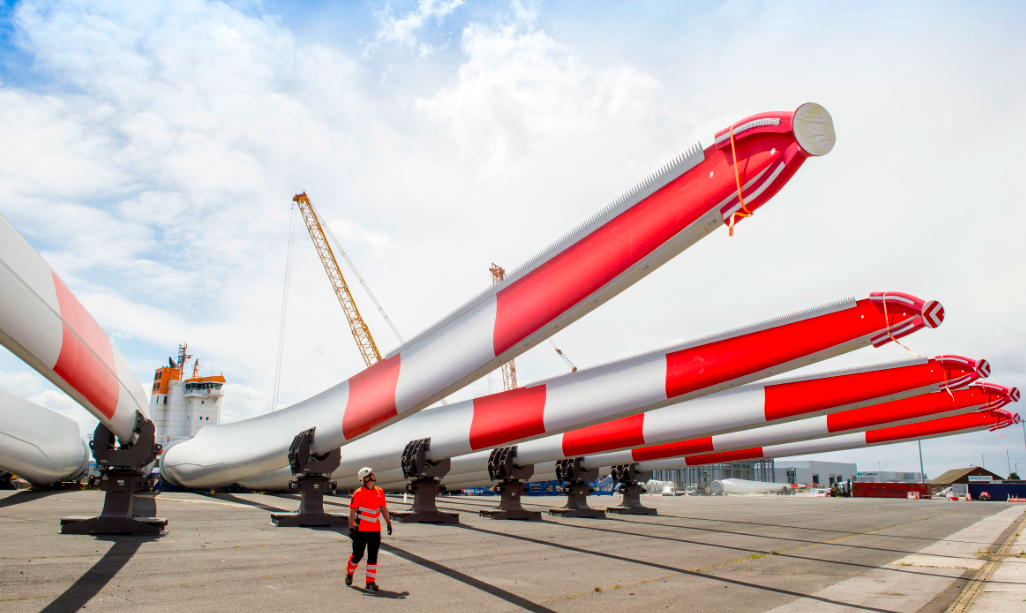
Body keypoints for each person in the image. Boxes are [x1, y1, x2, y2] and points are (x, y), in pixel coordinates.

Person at [347, 466, 392, 591]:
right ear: (365, 478)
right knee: (357, 555)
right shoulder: (358, 494)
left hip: (375, 531)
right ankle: (349, 573)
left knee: (373, 557)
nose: (374, 475)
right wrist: (351, 528)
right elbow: (352, 511)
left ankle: (370, 582)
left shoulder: (379, 492)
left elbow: (383, 508)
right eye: (372, 474)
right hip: (360, 531)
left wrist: (388, 523)